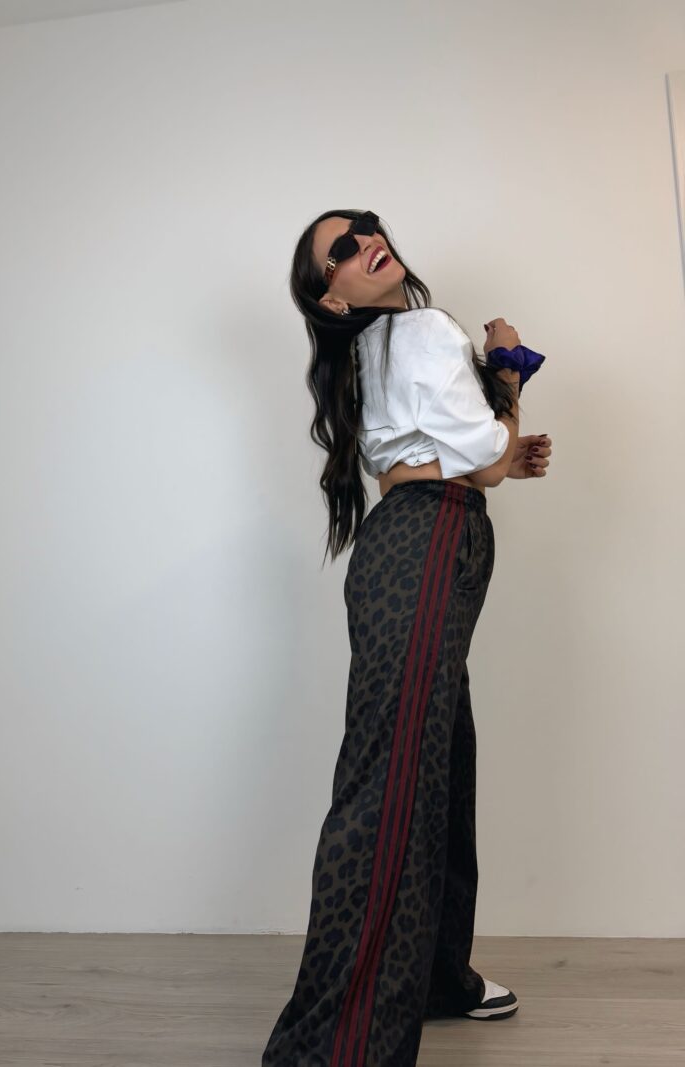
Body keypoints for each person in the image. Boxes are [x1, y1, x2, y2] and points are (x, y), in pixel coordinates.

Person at [261, 209, 551, 1067]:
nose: (365, 242)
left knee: (438, 760)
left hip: (405, 542)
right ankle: (336, 1045)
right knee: (392, 787)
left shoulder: (368, 351)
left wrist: (495, 449)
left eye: (365, 227)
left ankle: (433, 977)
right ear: (333, 295)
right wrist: (508, 366)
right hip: (428, 541)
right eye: (341, 250)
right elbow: (486, 457)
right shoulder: (421, 328)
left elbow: (459, 455)